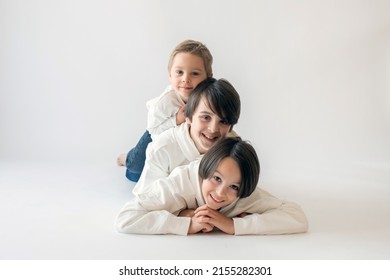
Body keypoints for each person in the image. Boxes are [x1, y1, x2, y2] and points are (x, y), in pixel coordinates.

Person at [116, 137, 309, 235]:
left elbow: (297, 217)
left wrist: (233, 225)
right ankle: (128, 158)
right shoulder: (178, 184)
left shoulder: (243, 194)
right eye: (216, 179)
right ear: (205, 170)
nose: (220, 193)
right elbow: (125, 218)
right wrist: (187, 224)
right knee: (135, 168)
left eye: (234, 186)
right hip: (164, 160)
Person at [117, 39, 213, 182]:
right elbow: (154, 131)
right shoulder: (166, 102)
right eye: (179, 72)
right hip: (156, 132)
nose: (186, 79)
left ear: (208, 77)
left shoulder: (207, 98)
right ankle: (128, 158)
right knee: (135, 169)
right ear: (170, 75)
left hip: (177, 142)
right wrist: (176, 120)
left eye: (194, 73)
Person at [132, 77, 241, 195]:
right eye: (206, 117)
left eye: (223, 122)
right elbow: (144, 197)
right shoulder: (162, 148)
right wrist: (182, 210)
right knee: (133, 170)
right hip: (152, 162)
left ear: (231, 127)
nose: (213, 128)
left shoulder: (233, 150)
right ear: (188, 117)